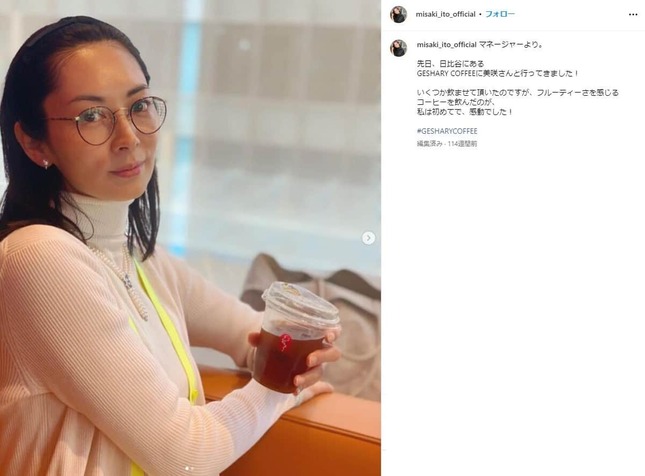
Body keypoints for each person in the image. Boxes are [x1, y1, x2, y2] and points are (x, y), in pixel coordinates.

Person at [0, 16, 341, 475]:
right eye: (91, 116)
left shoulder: (141, 260)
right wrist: (278, 390)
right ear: (33, 142)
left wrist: (297, 357)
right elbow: (185, 456)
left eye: (138, 105)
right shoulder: (39, 259)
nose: (129, 138)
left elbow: (253, 336)